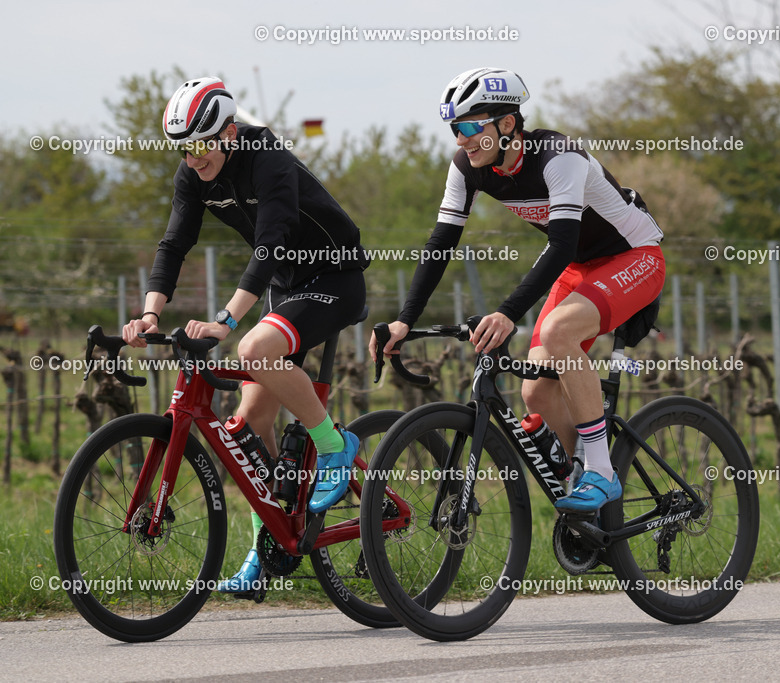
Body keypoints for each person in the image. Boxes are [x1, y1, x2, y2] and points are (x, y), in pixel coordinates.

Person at [371, 67, 665, 512]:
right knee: (536, 391)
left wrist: (507, 313)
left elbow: (561, 243)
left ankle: (602, 471)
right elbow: (441, 244)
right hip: (580, 267)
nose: (461, 140)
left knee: (559, 332)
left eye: (470, 127)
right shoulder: (468, 167)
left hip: (635, 256)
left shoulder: (558, 157)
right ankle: (582, 503)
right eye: (454, 129)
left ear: (507, 123)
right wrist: (404, 320)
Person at [122, 77, 370, 594]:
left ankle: (334, 445)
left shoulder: (267, 157)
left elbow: (270, 242)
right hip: (287, 285)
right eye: (182, 149)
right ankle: (266, 546)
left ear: (229, 133)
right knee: (247, 427)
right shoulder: (193, 172)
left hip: (334, 276)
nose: (192, 159)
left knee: (254, 348)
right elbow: (174, 244)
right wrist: (149, 314)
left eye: (200, 146)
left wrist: (226, 321)